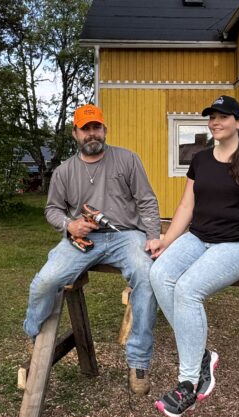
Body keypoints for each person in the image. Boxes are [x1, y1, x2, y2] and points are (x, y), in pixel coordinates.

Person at [148, 95, 239, 417]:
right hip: (198, 237)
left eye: (223, 117)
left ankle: (187, 382)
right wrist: (166, 241)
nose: (215, 122)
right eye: (211, 117)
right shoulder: (200, 159)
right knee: (159, 274)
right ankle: (201, 357)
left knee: (187, 290)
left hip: (238, 245)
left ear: (238, 122)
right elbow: (187, 206)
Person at [23, 104, 161, 395]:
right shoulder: (63, 172)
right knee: (45, 281)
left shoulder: (127, 159)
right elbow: (52, 210)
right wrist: (69, 225)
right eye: (85, 129)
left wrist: (152, 236)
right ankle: (33, 333)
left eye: (96, 127)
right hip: (84, 240)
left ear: (104, 129)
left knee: (147, 277)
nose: (92, 134)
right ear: (75, 133)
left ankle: (138, 362)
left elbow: (147, 201)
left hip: (126, 236)